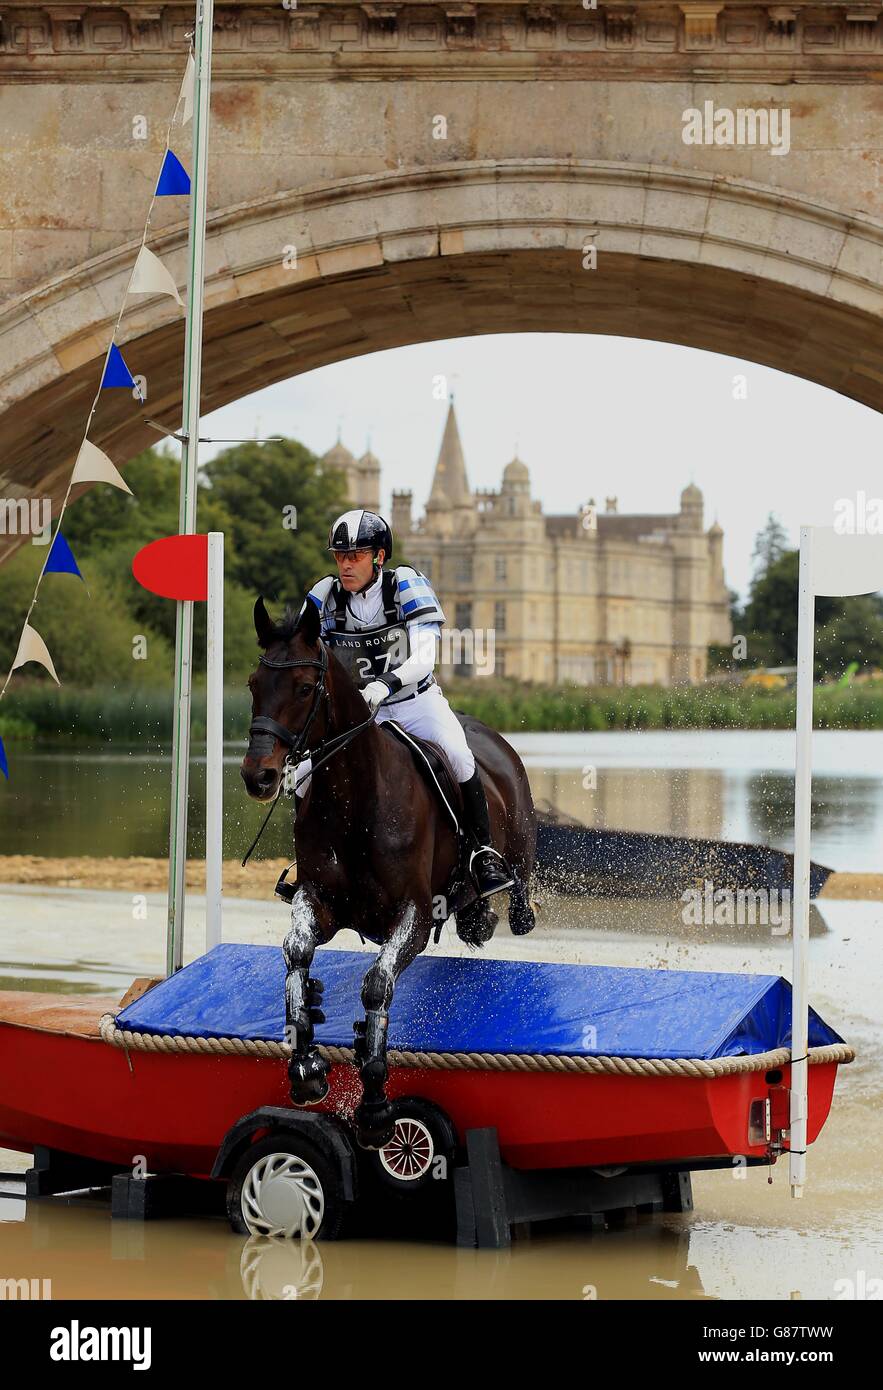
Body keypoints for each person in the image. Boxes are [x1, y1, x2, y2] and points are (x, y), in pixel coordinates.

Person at [296, 508, 514, 900]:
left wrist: (385, 683)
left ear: (379, 556)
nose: (346, 564)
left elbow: (424, 658)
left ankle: (482, 854)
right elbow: (304, 655)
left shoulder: (406, 585)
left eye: (356, 555)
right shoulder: (324, 597)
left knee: (459, 755)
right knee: (302, 776)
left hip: (414, 702)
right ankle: (308, 863)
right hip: (358, 716)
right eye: (340, 555)